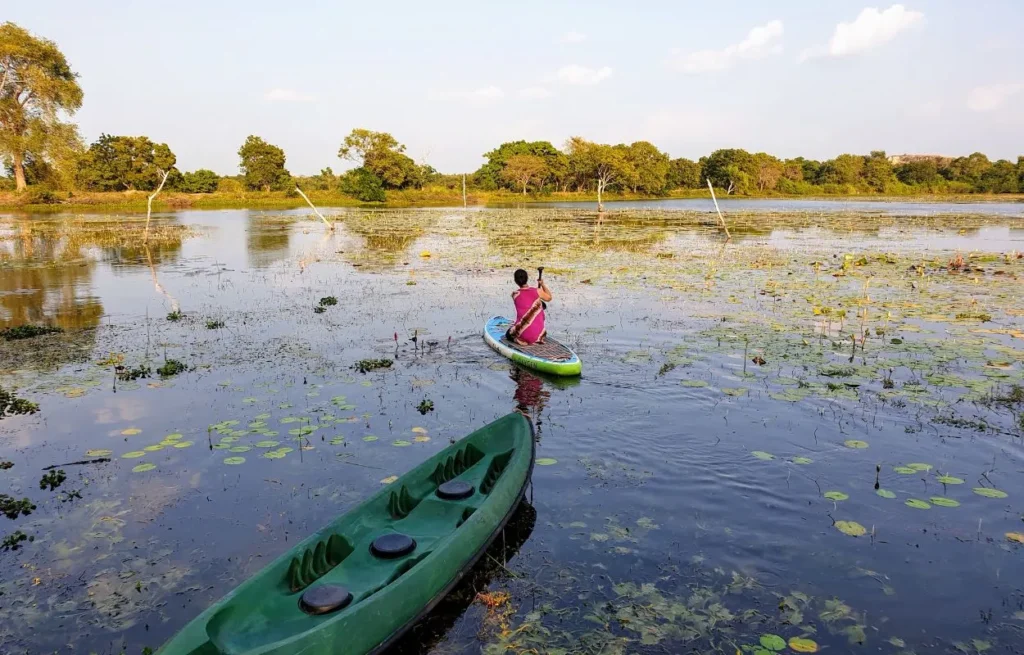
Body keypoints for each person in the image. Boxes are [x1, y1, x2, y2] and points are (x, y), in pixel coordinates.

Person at [507, 268, 552, 346]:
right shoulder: (537, 291)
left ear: (515, 281)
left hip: (522, 334)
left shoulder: (514, 294)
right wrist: (542, 285)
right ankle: (536, 338)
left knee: (508, 334)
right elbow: (549, 298)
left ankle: (518, 340)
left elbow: (525, 298)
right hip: (540, 335)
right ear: (527, 278)